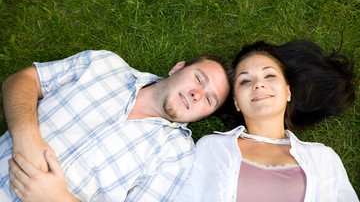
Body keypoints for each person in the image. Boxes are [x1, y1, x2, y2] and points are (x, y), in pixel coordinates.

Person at [0, 49, 231, 201]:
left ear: (205, 116)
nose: (196, 94)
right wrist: (26, 138)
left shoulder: (178, 157)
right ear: (178, 68)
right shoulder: (104, 64)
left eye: (209, 100)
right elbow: (22, 81)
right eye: (199, 79)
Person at [174, 40, 359, 201]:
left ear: (288, 91)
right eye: (245, 81)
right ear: (236, 102)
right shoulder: (211, 148)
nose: (259, 84)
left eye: (269, 75)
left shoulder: (324, 159)